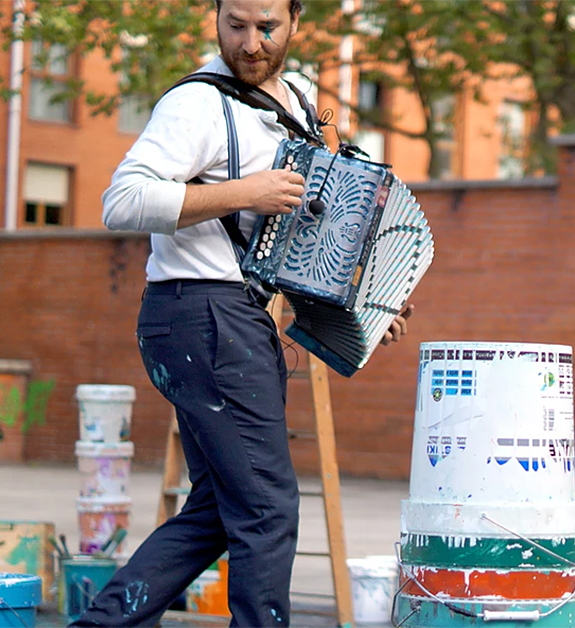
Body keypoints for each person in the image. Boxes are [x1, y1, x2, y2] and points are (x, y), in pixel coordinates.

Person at [74, 1, 413, 626]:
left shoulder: (301, 100)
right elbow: (121, 202)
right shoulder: (197, 104)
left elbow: (301, 243)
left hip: (226, 320)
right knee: (267, 507)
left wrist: (362, 306)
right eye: (236, 25)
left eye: (267, 28)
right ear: (216, 16)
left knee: (218, 508)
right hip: (203, 313)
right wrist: (245, 192)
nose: (250, 43)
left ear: (295, 21)